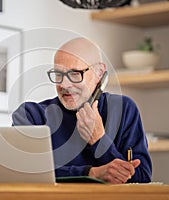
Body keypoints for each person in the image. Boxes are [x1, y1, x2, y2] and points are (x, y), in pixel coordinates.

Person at [12, 37, 152, 184]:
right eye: (58, 74)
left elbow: (141, 180)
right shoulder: (31, 115)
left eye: (75, 74)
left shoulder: (123, 109)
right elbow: (22, 171)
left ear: (99, 73)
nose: (64, 84)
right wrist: (90, 173)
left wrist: (99, 140)